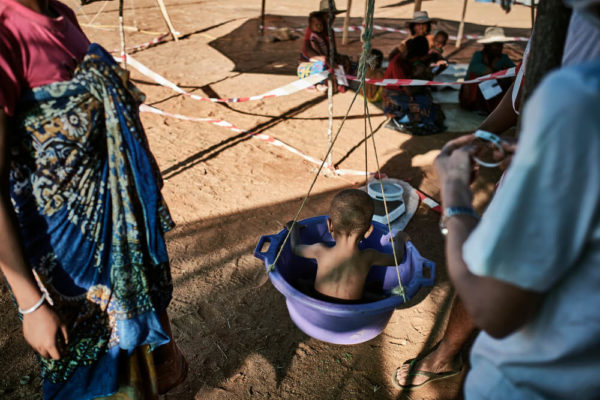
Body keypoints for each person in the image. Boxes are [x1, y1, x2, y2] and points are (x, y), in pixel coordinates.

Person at [0, 0, 186, 398]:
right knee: (88, 385)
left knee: (132, 377)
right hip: (66, 270)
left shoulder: (61, 14)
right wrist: (30, 305)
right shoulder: (5, 33)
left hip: (116, 250)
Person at [428, 1, 600, 398]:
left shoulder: (578, 96)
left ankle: (446, 355)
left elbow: (495, 308)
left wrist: (454, 197)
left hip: (531, 383)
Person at [286, 189, 408, 302]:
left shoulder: (319, 250)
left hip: (318, 301)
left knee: (301, 282)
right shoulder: (369, 257)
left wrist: (294, 229)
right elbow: (397, 258)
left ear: (329, 225)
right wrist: (400, 239)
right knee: (376, 290)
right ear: (369, 231)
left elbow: (295, 248)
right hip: (353, 309)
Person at [383, 36, 446, 136]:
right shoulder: (398, 63)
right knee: (424, 106)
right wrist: (426, 79)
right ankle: (399, 120)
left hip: (402, 93)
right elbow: (409, 91)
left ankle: (412, 120)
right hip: (394, 97)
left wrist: (434, 70)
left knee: (431, 107)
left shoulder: (408, 60)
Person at [459, 27, 516, 113]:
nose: (499, 48)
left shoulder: (503, 58)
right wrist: (495, 72)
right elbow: (478, 69)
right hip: (474, 96)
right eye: (496, 45)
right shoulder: (478, 56)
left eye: (500, 45)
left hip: (493, 93)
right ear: (488, 45)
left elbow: (514, 70)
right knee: (475, 76)